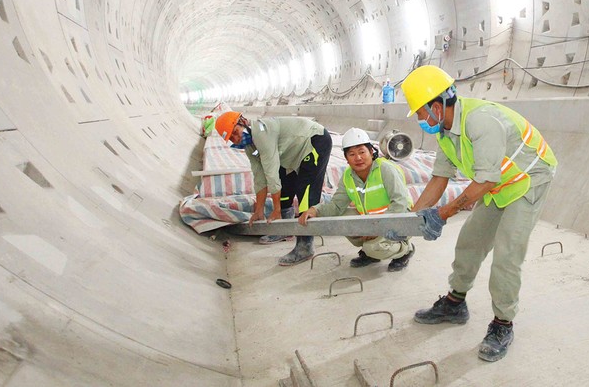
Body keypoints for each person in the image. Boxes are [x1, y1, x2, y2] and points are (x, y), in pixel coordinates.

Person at [402, 65, 557, 362]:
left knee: (507, 256)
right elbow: (438, 179)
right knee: (471, 241)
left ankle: (502, 324)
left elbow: (485, 180)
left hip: (528, 180)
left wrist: (444, 213)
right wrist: (410, 219)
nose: (420, 119)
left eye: (420, 113)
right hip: (498, 185)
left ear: (436, 106)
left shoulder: (480, 121)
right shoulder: (447, 134)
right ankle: (455, 303)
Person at [214, 111, 332, 266]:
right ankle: (284, 228)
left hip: (314, 141)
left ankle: (305, 245)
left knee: (306, 192)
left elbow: (271, 173)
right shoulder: (250, 145)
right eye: (231, 138)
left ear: (242, 121)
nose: (236, 139)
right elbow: (259, 176)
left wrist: (275, 210)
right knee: (285, 188)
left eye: (236, 132)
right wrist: (259, 210)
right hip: (292, 152)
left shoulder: (262, 133)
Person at [298, 128, 414, 271]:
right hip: (372, 220)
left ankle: (404, 250)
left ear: (371, 152)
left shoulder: (386, 169)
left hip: (400, 220)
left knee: (373, 246)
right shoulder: (348, 176)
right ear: (346, 158)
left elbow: (400, 204)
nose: (358, 158)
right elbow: (336, 205)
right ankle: (372, 254)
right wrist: (315, 210)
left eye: (361, 152)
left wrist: (376, 229)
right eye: (352, 154)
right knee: (341, 220)